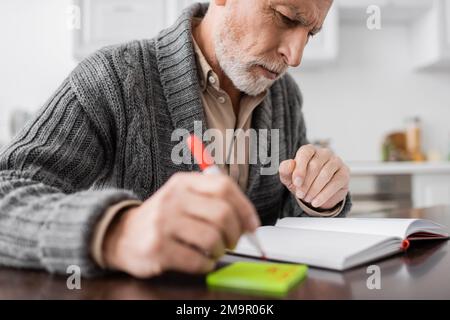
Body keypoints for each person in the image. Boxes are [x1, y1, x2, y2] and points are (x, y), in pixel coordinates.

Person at [0, 0, 351, 279]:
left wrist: (317, 200)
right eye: (287, 18)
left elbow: (282, 224)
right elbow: (7, 191)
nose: (296, 56)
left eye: (310, 34)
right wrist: (116, 233)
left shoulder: (285, 94)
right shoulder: (112, 78)